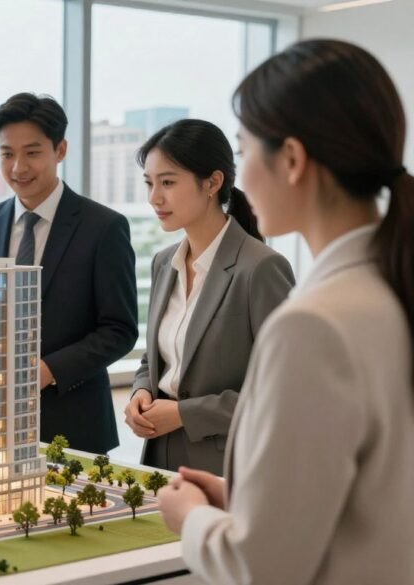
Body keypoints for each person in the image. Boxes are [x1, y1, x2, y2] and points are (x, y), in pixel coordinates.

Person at [158, 39, 414, 584]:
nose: (242, 175)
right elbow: (371, 492)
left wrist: (191, 518)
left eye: (246, 149)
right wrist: (243, 497)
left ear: (292, 160)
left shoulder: (314, 325)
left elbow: (262, 567)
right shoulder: (389, 288)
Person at [0, 93, 138, 454]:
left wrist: (46, 370)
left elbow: (119, 329)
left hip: (73, 423)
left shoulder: (103, 227)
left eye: (32, 152)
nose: (18, 167)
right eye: (7, 154)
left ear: (60, 150)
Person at [125, 119, 294, 475]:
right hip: (159, 455)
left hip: (228, 463)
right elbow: (155, 358)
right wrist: (141, 391)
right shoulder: (163, 263)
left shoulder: (261, 268)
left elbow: (283, 391)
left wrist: (184, 414)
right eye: (149, 183)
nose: (154, 198)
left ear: (213, 183)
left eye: (168, 182)